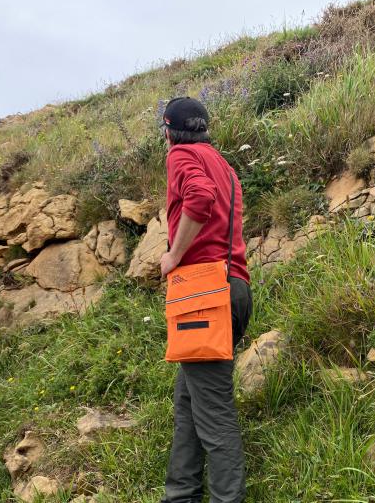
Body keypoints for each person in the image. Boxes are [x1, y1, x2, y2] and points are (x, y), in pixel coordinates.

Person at [158, 97, 252, 503]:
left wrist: (174, 256)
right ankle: (180, 495)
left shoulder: (180, 156)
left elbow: (199, 198)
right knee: (188, 405)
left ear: (167, 130)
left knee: (213, 415)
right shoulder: (223, 163)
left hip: (203, 294)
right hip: (235, 288)